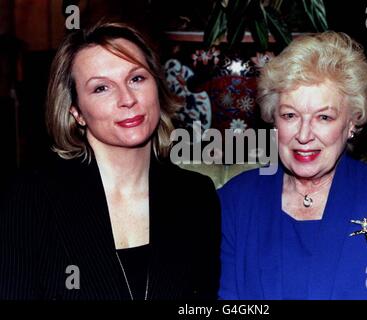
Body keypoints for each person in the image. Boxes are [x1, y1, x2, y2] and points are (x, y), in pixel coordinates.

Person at [0, 22, 220, 300]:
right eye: (101, 88)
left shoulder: (196, 195)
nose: (127, 99)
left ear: (157, 88)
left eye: (137, 79)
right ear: (77, 112)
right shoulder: (31, 196)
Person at [218, 31, 367, 299]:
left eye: (324, 117)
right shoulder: (235, 200)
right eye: (290, 115)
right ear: (273, 120)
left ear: (352, 124)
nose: (304, 134)